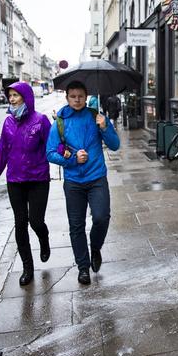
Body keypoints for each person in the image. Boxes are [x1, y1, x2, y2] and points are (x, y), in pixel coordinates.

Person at [46, 81, 120, 285]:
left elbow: (115, 145)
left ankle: (95, 247)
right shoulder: (60, 122)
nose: (77, 100)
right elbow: (50, 153)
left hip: (96, 177)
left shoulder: (96, 117)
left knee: (101, 217)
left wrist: (105, 127)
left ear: (86, 97)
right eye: (73, 96)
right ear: (67, 98)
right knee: (76, 226)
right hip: (73, 181)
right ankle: (83, 267)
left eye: (80, 96)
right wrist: (72, 159)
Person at [0, 82, 52, 286]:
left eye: (16, 95)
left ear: (26, 97)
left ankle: (44, 238)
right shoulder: (8, 123)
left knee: (36, 221)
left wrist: (67, 156)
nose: (12, 99)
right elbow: (2, 152)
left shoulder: (41, 120)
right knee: (20, 222)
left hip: (38, 179)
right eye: (10, 96)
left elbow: (52, 146)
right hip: (15, 180)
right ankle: (27, 267)